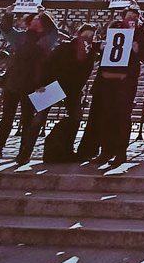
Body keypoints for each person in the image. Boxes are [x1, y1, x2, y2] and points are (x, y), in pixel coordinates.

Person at [79, 7, 144, 166]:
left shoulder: (142, 33)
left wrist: (138, 49)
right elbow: (99, 46)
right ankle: (105, 151)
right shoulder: (114, 29)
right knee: (106, 115)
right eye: (129, 16)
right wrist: (101, 46)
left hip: (126, 80)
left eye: (135, 16)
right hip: (108, 78)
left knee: (122, 116)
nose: (131, 19)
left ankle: (120, 152)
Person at [0, 9, 57, 160]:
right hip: (14, 80)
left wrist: (44, 12)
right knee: (7, 117)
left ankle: (24, 152)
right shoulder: (20, 36)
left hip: (33, 83)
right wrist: (9, 13)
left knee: (27, 118)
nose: (35, 20)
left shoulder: (45, 39)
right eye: (34, 17)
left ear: (44, 24)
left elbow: (54, 31)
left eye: (39, 19)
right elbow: (5, 29)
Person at [21, 23, 98, 163]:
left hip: (73, 90)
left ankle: (66, 150)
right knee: (38, 120)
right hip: (53, 85)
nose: (88, 38)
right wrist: (39, 84)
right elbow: (46, 64)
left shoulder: (91, 52)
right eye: (85, 35)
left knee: (76, 117)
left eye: (91, 36)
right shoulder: (65, 47)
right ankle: (25, 153)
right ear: (78, 34)